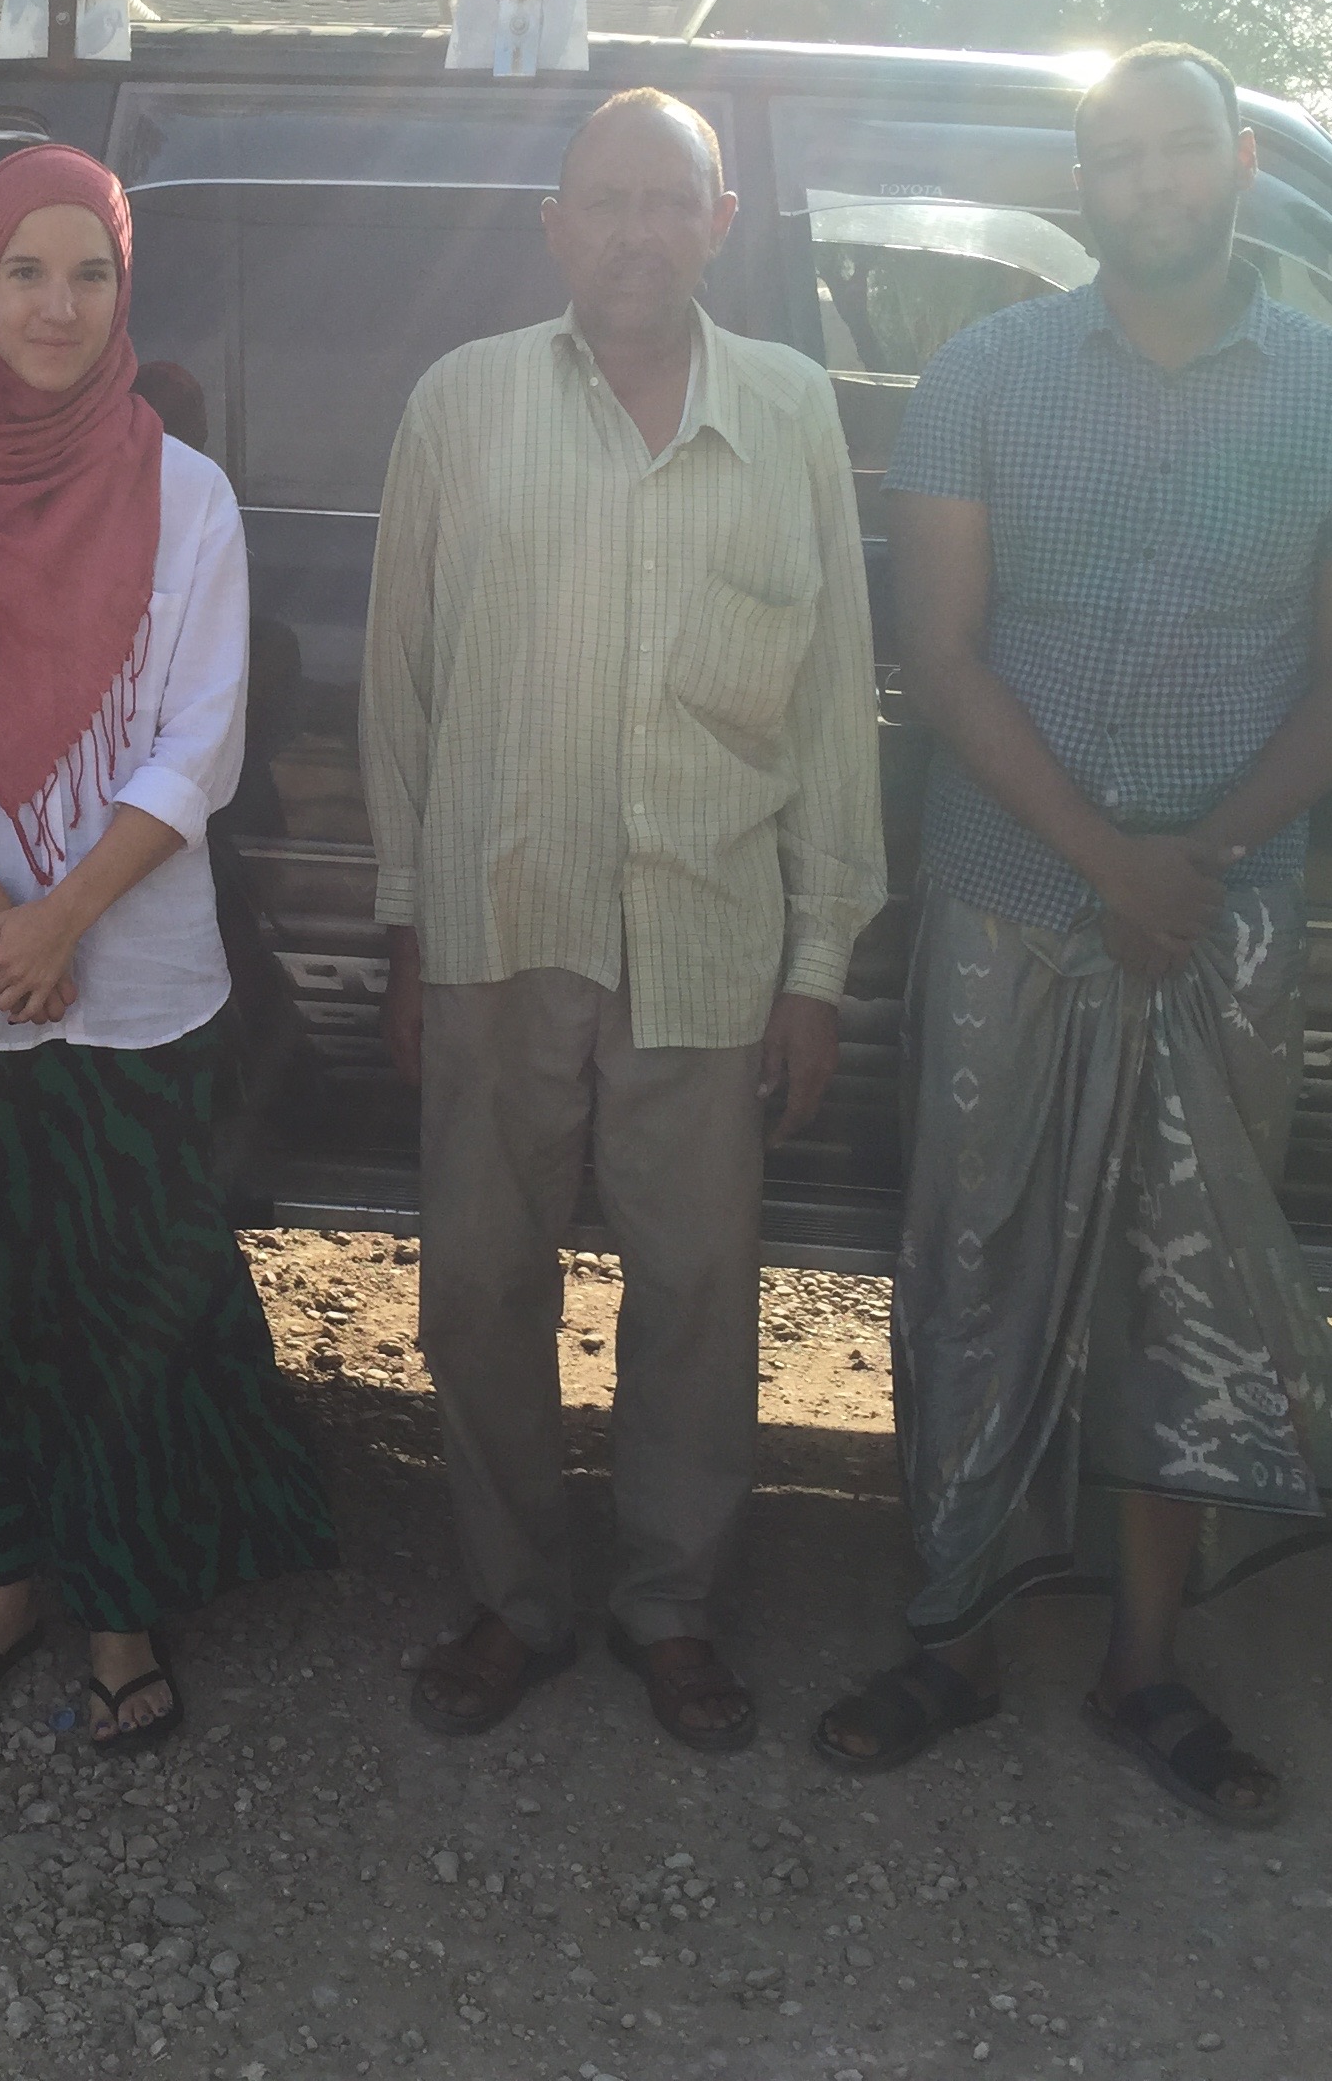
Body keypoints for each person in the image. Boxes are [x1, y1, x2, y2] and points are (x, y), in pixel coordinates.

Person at [816, 43, 1332, 1825]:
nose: (1152, 182)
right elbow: (941, 657)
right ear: (1081, 182)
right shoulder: (985, 377)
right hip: (1016, 898)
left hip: (1220, 923)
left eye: (1183, 149)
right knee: (976, 1253)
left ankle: (1147, 1667)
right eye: (1118, 157)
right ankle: (948, 1630)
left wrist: (1199, 857)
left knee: (1192, 1281)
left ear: (1241, 160)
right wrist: (1107, 860)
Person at [364, 90, 884, 1749]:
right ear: (556, 228)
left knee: (697, 1292)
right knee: (482, 1288)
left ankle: (671, 1608)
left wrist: (819, 966)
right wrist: (405, 933)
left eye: (673, 200)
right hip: (500, 925)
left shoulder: (792, 412)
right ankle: (516, 1604)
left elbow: (825, 713)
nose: (639, 231)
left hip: (711, 936)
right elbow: (402, 690)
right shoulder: (464, 406)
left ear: (723, 221)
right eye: (608, 200)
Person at [0, 143, 336, 1754]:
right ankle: (3, 1578)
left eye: (93, 274)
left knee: (127, 1299)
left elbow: (199, 743)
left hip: (136, 979)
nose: (58, 306)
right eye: (27, 272)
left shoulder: (183, 492)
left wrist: (64, 918)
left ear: (128, 294)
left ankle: (119, 1595)